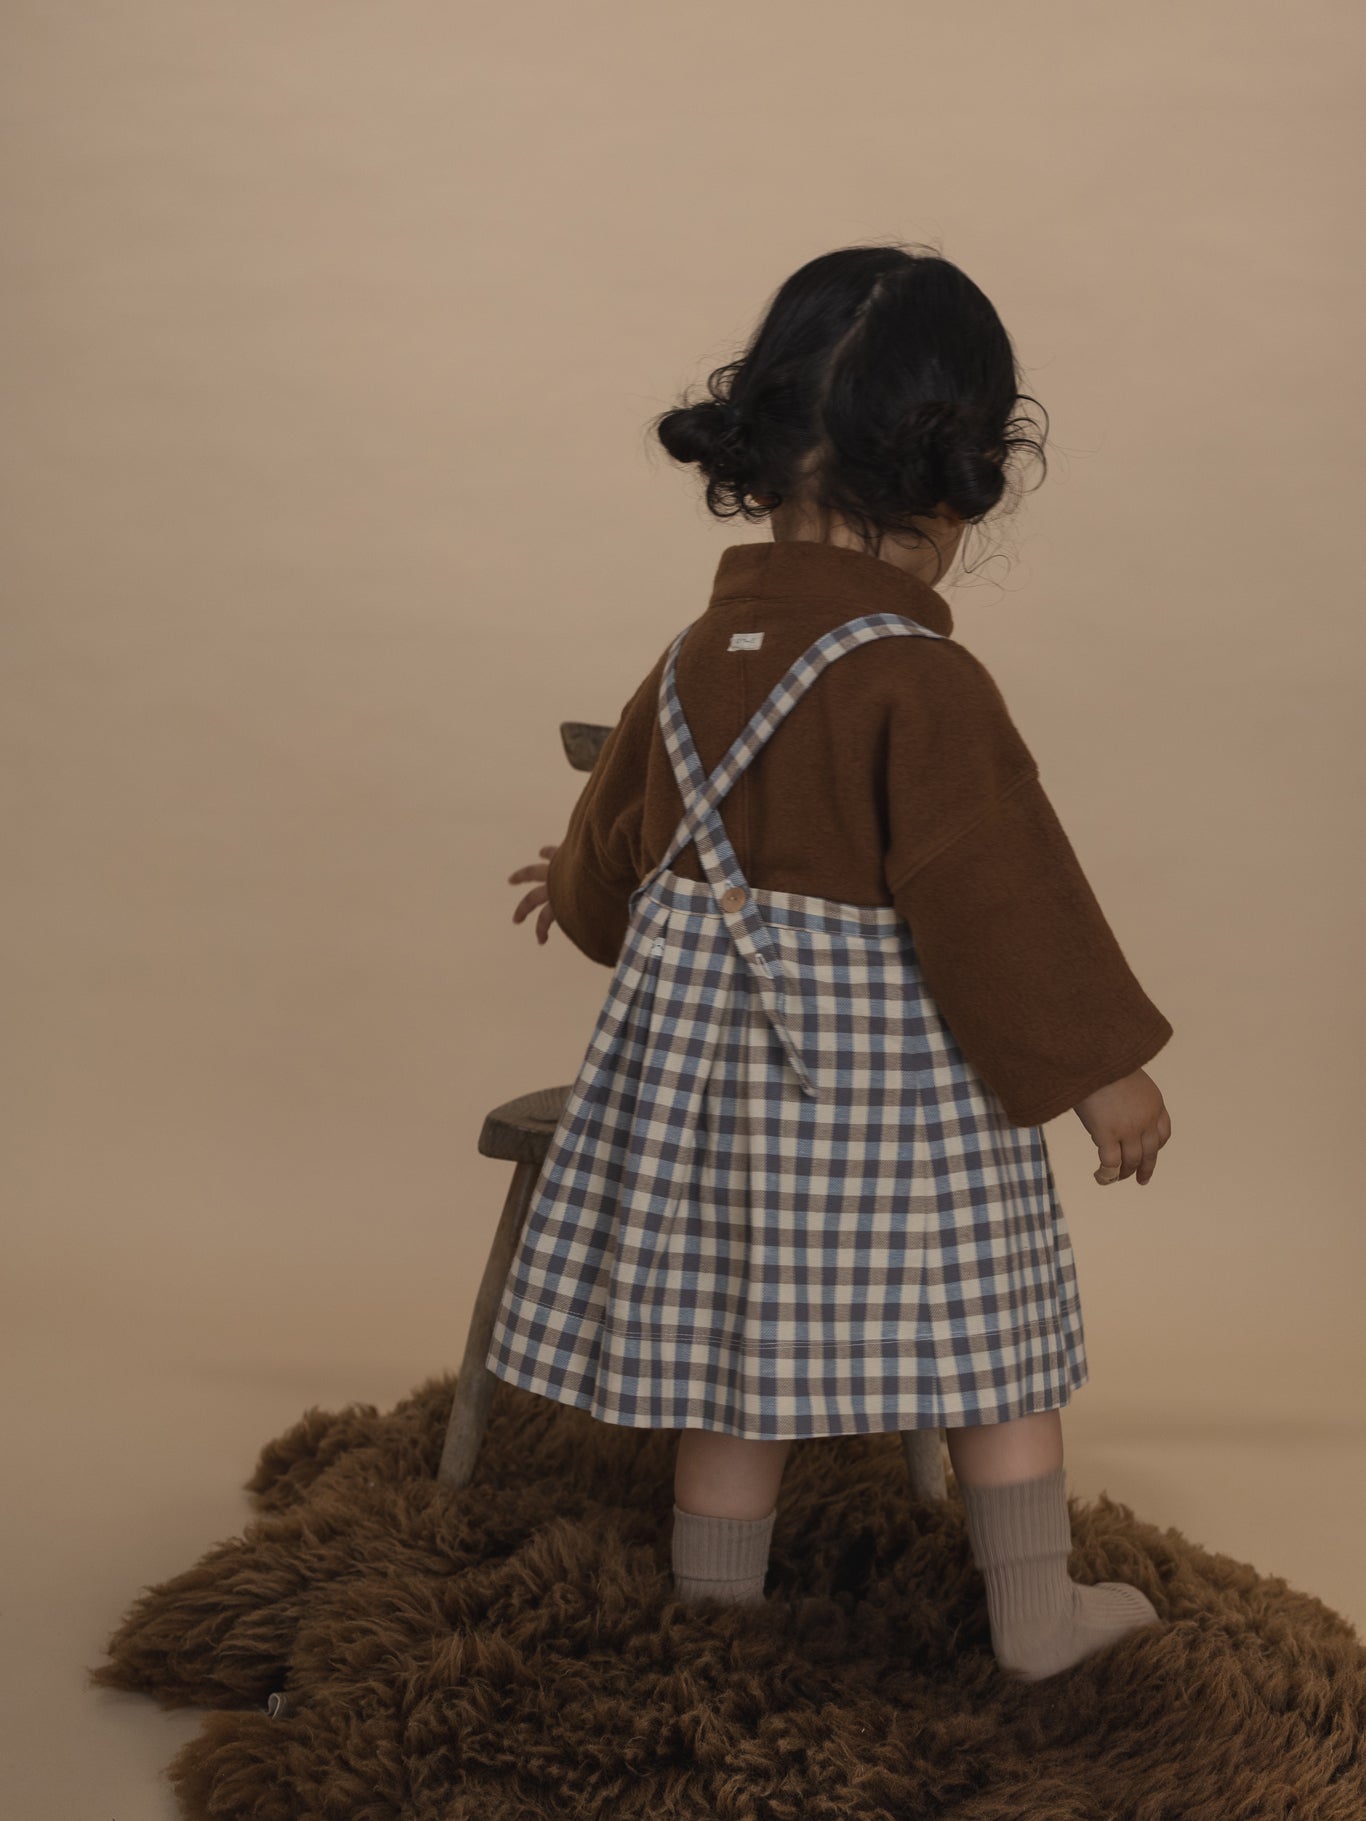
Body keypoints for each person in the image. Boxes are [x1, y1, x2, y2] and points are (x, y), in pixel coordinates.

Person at [494, 242, 1172, 1684]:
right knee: (993, 1343)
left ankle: (712, 1618)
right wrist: (1101, 1072)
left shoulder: (691, 655)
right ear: (953, 486)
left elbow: (619, 850)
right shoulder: (919, 679)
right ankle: (1035, 1615)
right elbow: (1003, 898)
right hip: (896, 1116)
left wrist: (571, 889)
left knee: (727, 1354)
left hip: (718, 1117)